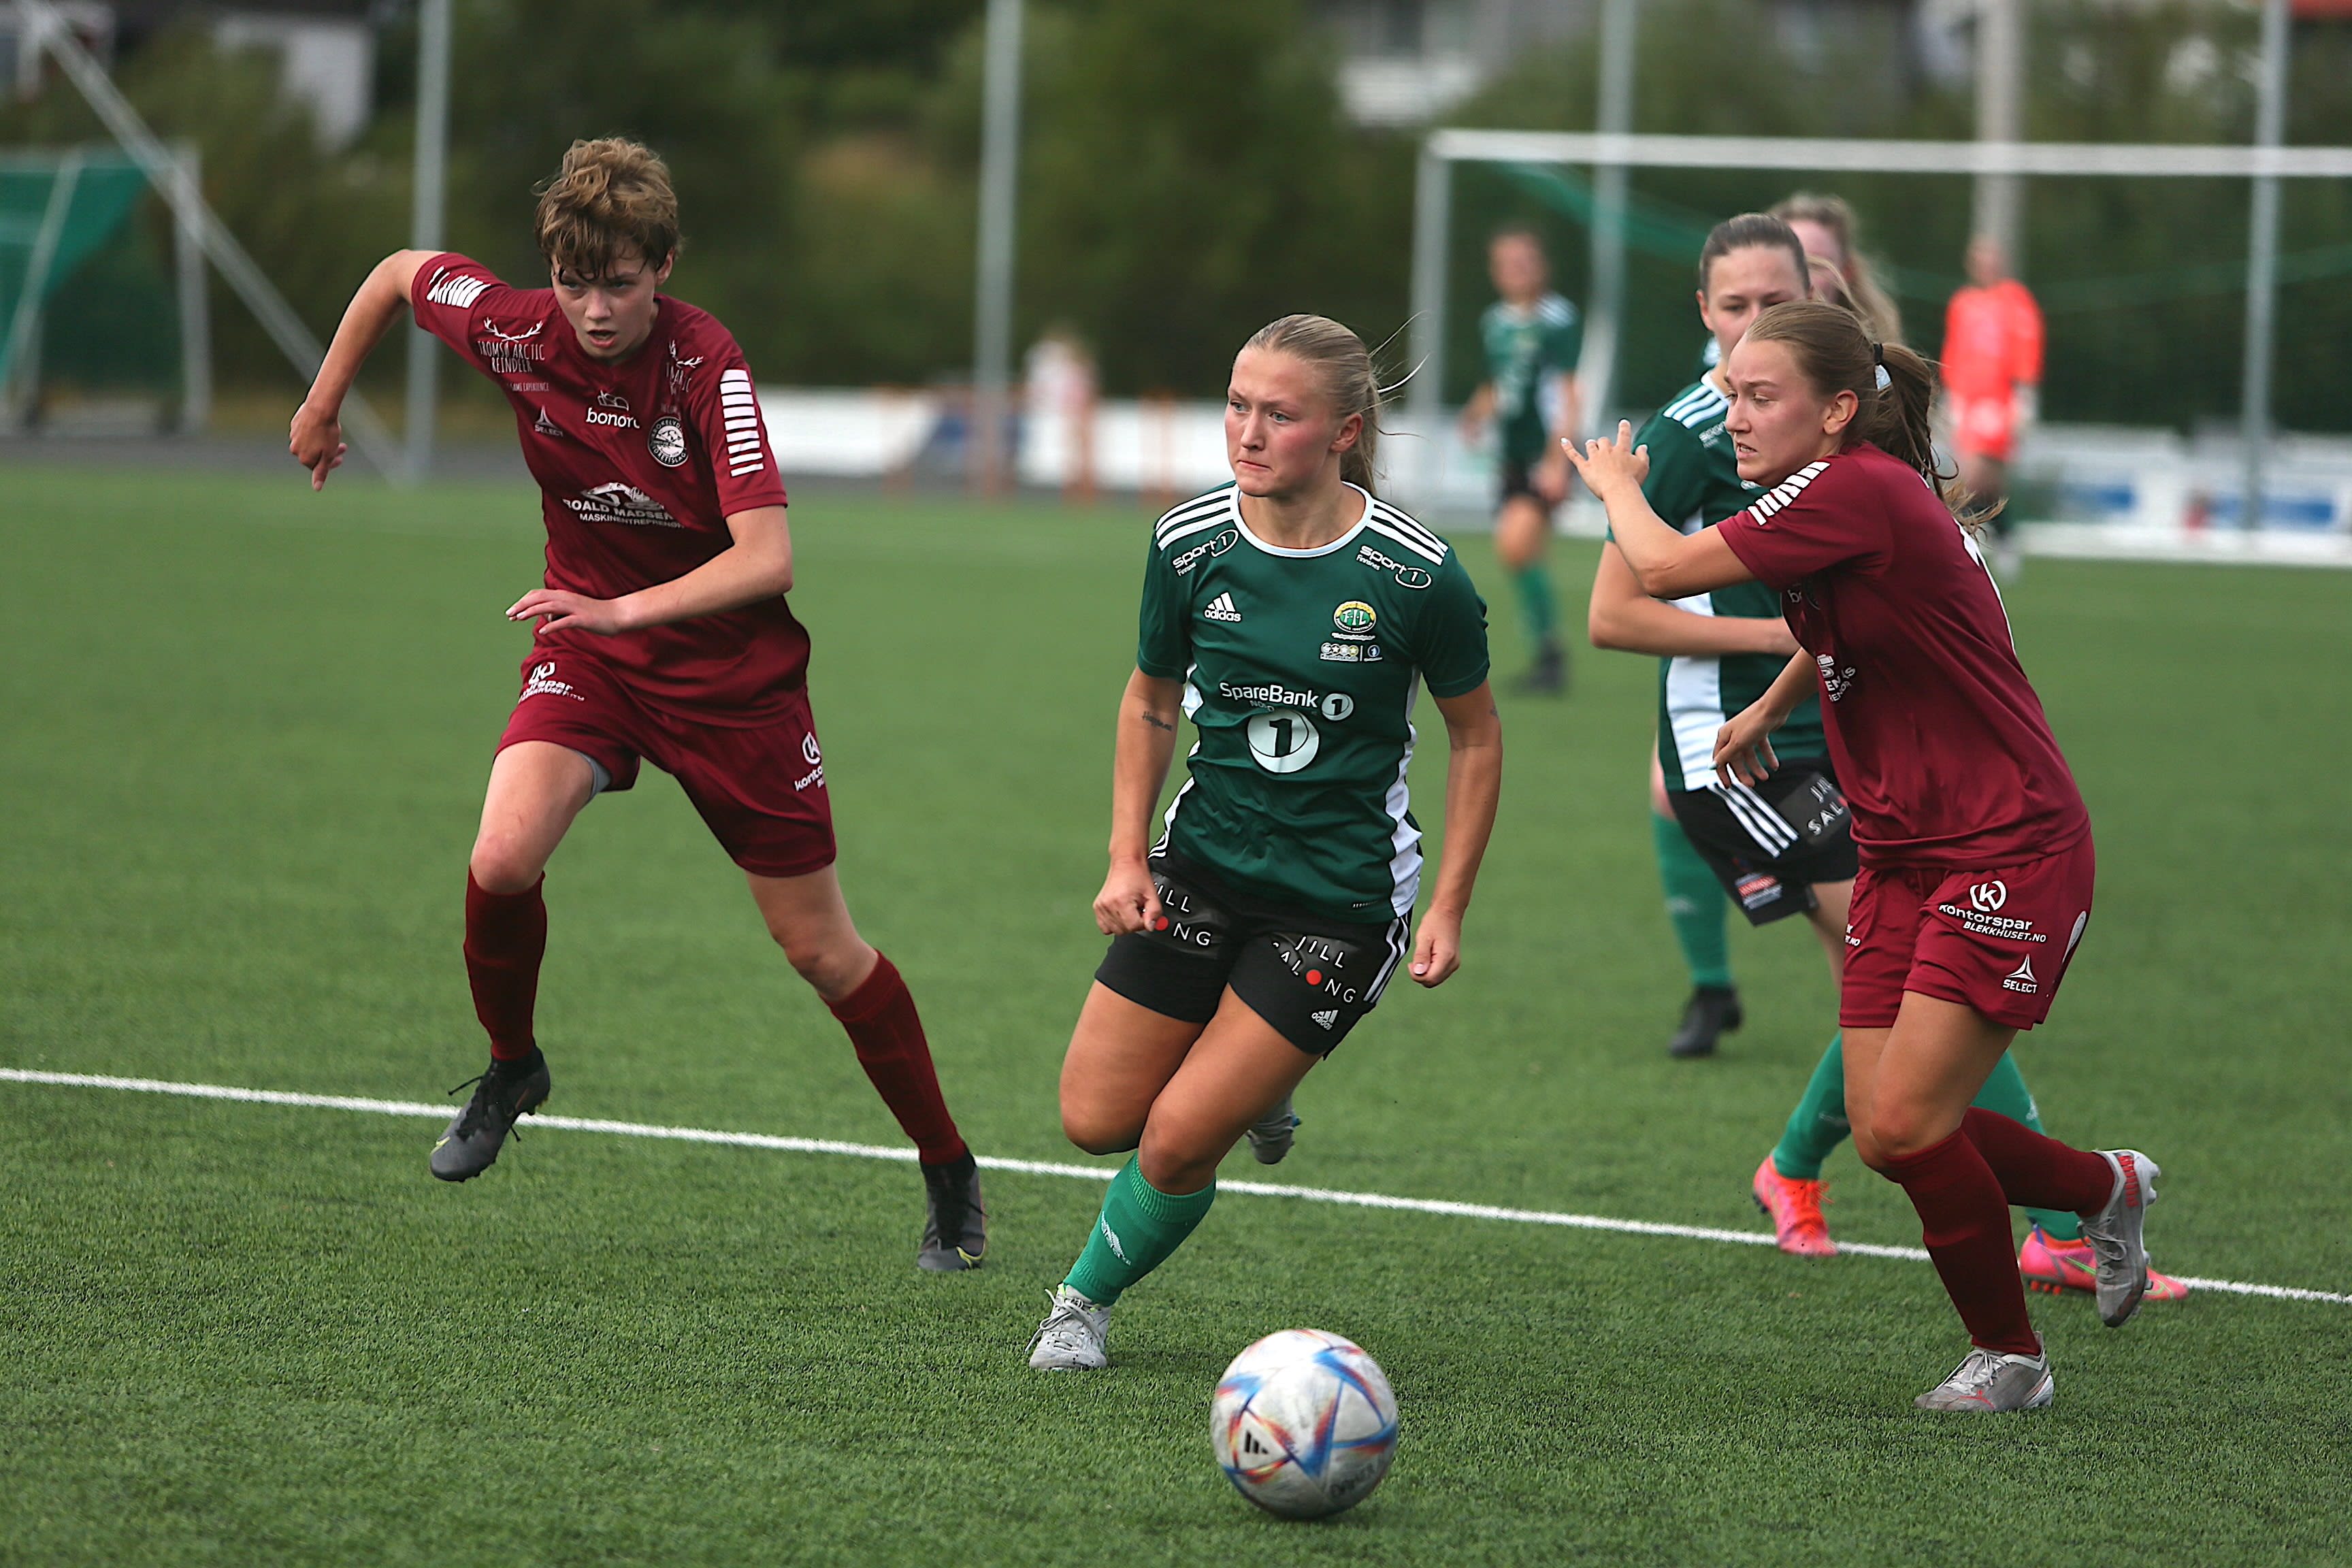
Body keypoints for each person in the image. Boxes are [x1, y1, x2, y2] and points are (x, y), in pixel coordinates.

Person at [286, 138, 986, 1272]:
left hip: (732, 684)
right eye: (575, 283)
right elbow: (401, 274)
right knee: (501, 856)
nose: (596, 309)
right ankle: (512, 1065)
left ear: (663, 266)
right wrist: (323, 404)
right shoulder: (517, 328)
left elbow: (768, 557)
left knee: (820, 949)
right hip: (593, 657)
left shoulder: (707, 366)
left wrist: (623, 610)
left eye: (619, 282)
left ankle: (947, 1166)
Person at [1567, 300, 2163, 1413]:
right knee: (1890, 1129)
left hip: (2008, 844)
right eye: (1730, 394)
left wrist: (1615, 486)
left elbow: (1661, 567)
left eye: (1761, 396)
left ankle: (2012, 1359)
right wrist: (1767, 708)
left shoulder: (1854, 489)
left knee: (1906, 1123)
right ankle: (2101, 1185)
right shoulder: (1839, 495)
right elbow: (1839, 620)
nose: (1735, 418)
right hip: (1900, 848)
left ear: (1837, 409)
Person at [1028, 314, 1502, 1371]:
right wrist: (1125, 854)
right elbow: (1151, 699)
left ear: (1344, 431)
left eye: (1278, 415)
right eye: (1238, 405)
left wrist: (1449, 904)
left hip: (1336, 902)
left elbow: (1476, 738)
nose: (1247, 431)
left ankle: (1081, 1304)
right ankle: (1263, 1078)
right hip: (1201, 867)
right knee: (1094, 1119)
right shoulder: (1188, 543)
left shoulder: (1416, 574)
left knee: (1176, 1139)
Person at [1459, 226, 1582, 693]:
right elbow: (1498, 382)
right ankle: (1548, 655)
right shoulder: (1495, 322)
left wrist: (1557, 460)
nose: (1517, 271)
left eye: (1525, 262)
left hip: (1543, 454)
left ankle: (1550, 654)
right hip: (1511, 457)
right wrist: (1475, 414)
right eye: (1507, 263)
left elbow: (1568, 392)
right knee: (1524, 553)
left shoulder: (1558, 319)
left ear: (1542, 266)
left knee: (1515, 544)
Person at [1942, 235, 2044, 576]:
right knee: (1980, 480)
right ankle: (1999, 537)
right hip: (1968, 400)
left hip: (1999, 401)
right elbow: (1955, 349)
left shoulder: (2016, 300)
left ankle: (1969, 539)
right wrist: (1952, 396)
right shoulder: (1963, 303)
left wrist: (2025, 396)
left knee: (1977, 476)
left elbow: (2027, 347)